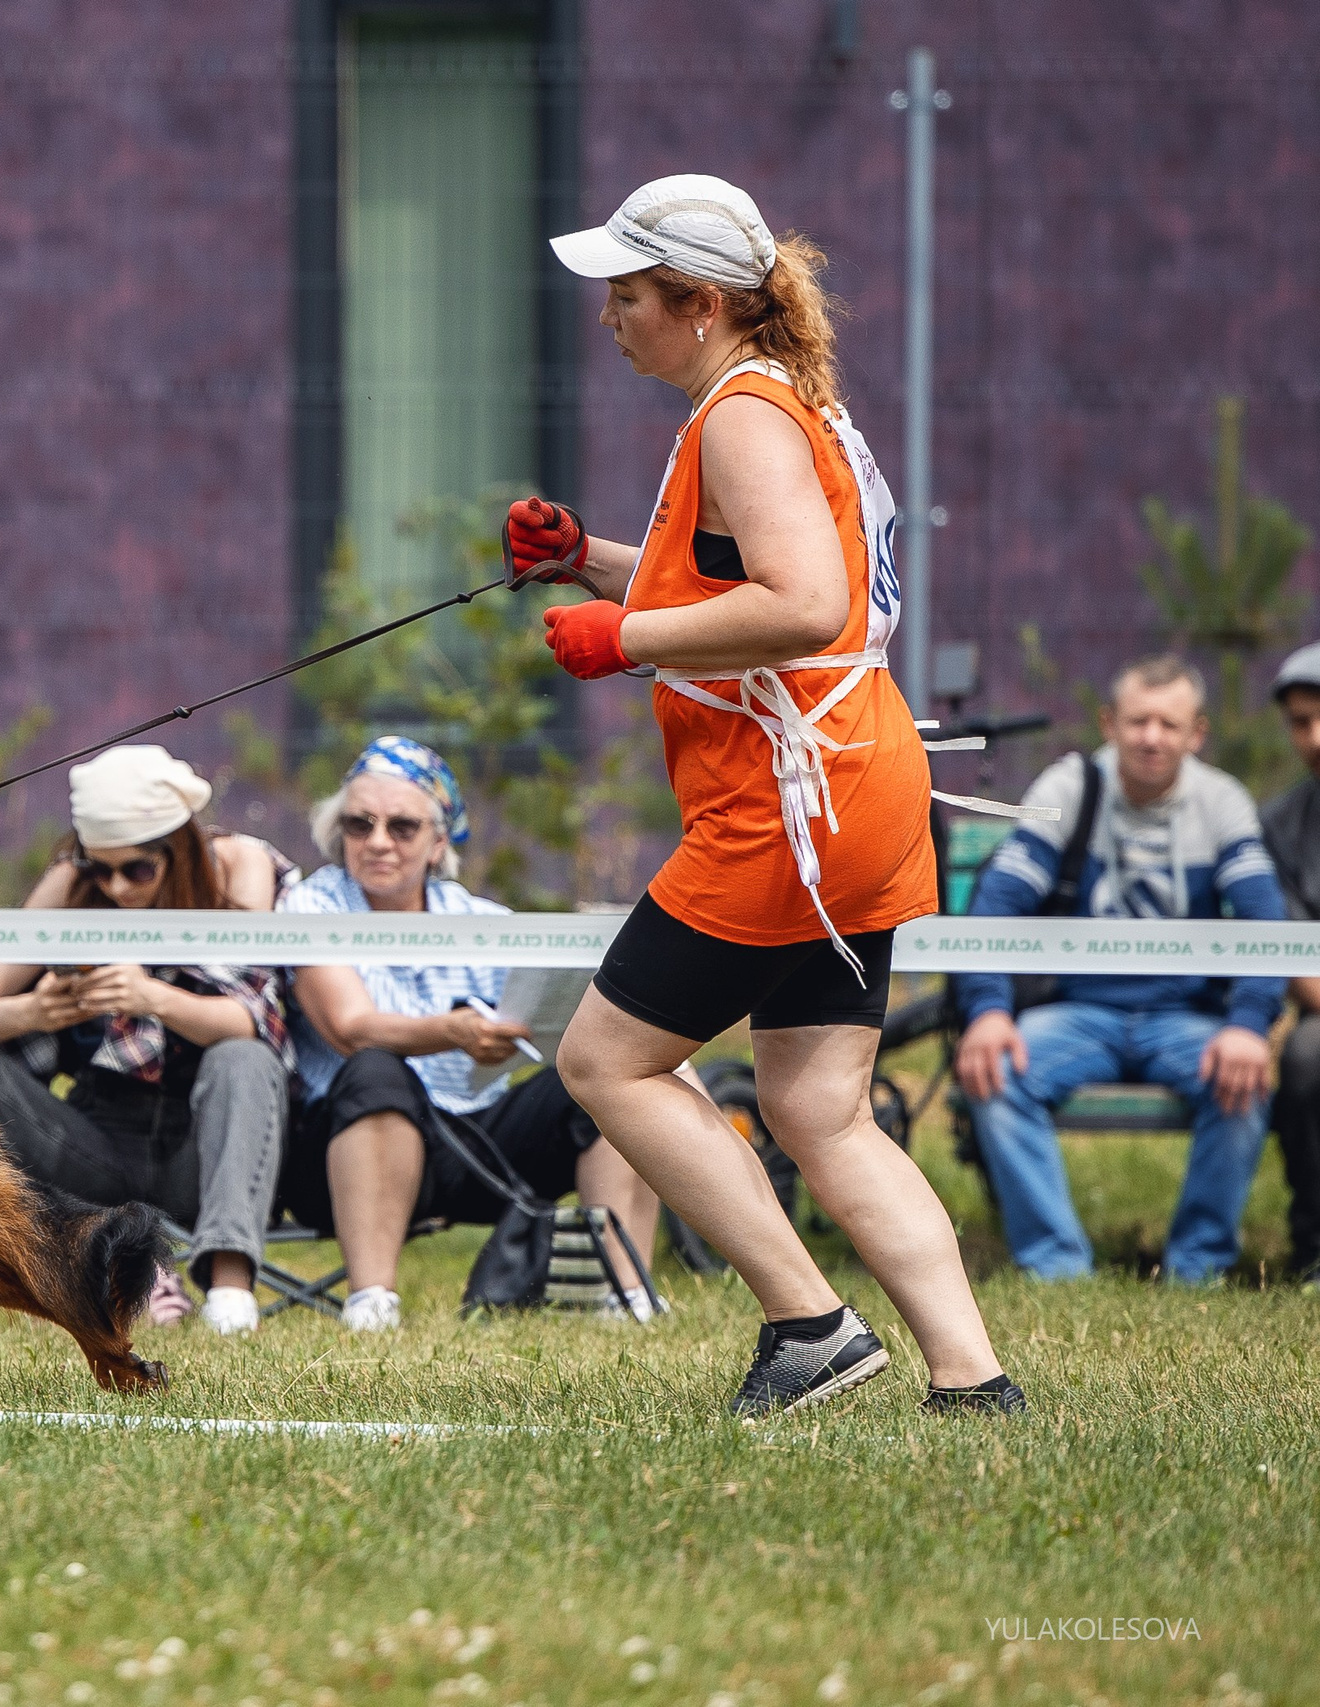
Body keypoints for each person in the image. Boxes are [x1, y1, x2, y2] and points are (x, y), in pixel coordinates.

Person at [526, 174, 1021, 1417]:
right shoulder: (786, 400)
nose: (611, 318)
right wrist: (588, 556)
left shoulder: (739, 418)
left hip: (787, 809)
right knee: (818, 1107)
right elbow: (742, 578)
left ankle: (809, 1327)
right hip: (858, 786)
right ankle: (972, 1382)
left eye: (628, 296)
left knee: (604, 1062)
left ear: (698, 304)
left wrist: (621, 639)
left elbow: (803, 606)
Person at [275, 737, 662, 1332]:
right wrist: (452, 1033)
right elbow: (350, 1030)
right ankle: (371, 1302)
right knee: (375, 1069)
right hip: (344, 1147)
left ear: (438, 842)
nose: (377, 841)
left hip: (479, 1138)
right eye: (359, 823)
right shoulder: (313, 902)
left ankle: (628, 1295)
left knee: (613, 1081)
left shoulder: (480, 919)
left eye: (401, 827)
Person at [0, 745, 294, 1336]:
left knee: (244, 1058)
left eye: (138, 869)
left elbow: (253, 1019)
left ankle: (230, 1291)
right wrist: (33, 1011)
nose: (115, 887)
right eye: (100, 868)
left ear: (181, 850)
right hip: (91, 1143)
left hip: (201, 1147)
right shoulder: (68, 882)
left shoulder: (240, 865)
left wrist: (152, 998)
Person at [953, 657, 1289, 1284]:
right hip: (1080, 1013)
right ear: (1109, 724)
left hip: (1186, 1018)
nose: (1152, 737)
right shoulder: (1070, 788)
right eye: (1138, 720)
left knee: (1245, 1080)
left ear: (1197, 735)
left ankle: (1197, 1268)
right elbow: (997, 903)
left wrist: (1247, 1024)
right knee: (995, 1069)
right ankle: (1057, 1268)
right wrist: (989, 1011)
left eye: (1169, 723)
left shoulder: (1222, 803)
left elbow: (1265, 925)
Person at [1259, 643, 1320, 1286]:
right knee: (1307, 1057)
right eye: (1301, 722)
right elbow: (1292, 950)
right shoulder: (1279, 824)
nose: (1315, 737)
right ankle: (1314, 1248)